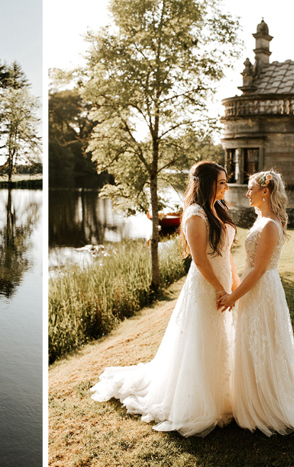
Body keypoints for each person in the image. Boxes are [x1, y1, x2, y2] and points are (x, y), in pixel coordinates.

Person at [91, 161, 240, 437]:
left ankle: (224, 391)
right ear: (207, 183)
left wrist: (235, 285)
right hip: (205, 286)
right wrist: (221, 289)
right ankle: (199, 398)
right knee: (203, 338)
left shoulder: (219, 209)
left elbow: (227, 254)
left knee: (223, 336)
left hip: (223, 283)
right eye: (221, 182)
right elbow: (199, 259)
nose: (226, 187)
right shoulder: (195, 215)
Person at [218, 171, 294, 436]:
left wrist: (232, 298)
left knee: (264, 342)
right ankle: (253, 395)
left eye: (250, 189)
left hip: (263, 290)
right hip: (255, 289)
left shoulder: (270, 225)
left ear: (266, 191)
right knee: (252, 341)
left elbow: (259, 270)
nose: (247, 193)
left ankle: (266, 403)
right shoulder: (262, 219)